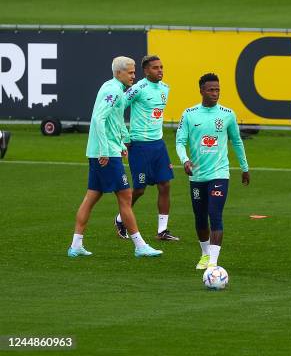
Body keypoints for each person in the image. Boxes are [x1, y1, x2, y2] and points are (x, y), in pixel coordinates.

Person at [68, 56, 163, 258]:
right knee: (126, 196)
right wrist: (105, 149)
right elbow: (98, 118)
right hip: (105, 153)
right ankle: (140, 245)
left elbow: (114, 120)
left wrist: (122, 142)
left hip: (103, 150)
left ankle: (76, 245)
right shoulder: (113, 91)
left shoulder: (114, 88)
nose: (133, 76)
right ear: (118, 72)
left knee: (92, 196)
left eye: (134, 72)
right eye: (130, 72)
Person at [176, 73, 250, 270]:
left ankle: (214, 263)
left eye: (217, 89)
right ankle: (205, 254)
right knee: (200, 217)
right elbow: (180, 142)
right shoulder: (189, 114)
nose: (215, 93)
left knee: (214, 213)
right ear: (201, 90)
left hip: (219, 173)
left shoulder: (227, 114)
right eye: (211, 90)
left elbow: (236, 141)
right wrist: (185, 160)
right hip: (197, 175)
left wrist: (244, 167)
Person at [114, 55, 178, 241]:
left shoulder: (165, 88)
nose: (160, 70)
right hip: (139, 145)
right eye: (156, 68)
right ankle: (120, 218)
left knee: (165, 185)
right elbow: (119, 106)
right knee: (140, 189)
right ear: (146, 71)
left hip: (158, 144)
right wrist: (123, 135)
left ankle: (162, 230)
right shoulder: (138, 89)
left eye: (162, 67)